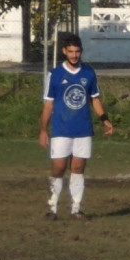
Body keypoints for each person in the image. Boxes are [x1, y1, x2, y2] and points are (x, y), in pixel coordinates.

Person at [39, 33, 113, 220]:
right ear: (64, 51)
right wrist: (43, 130)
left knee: (78, 169)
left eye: (77, 51)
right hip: (61, 129)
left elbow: (94, 99)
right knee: (58, 169)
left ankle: (76, 208)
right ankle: (52, 208)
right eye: (70, 51)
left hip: (83, 130)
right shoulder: (55, 74)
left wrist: (104, 118)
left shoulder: (88, 73)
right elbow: (49, 104)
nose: (74, 55)